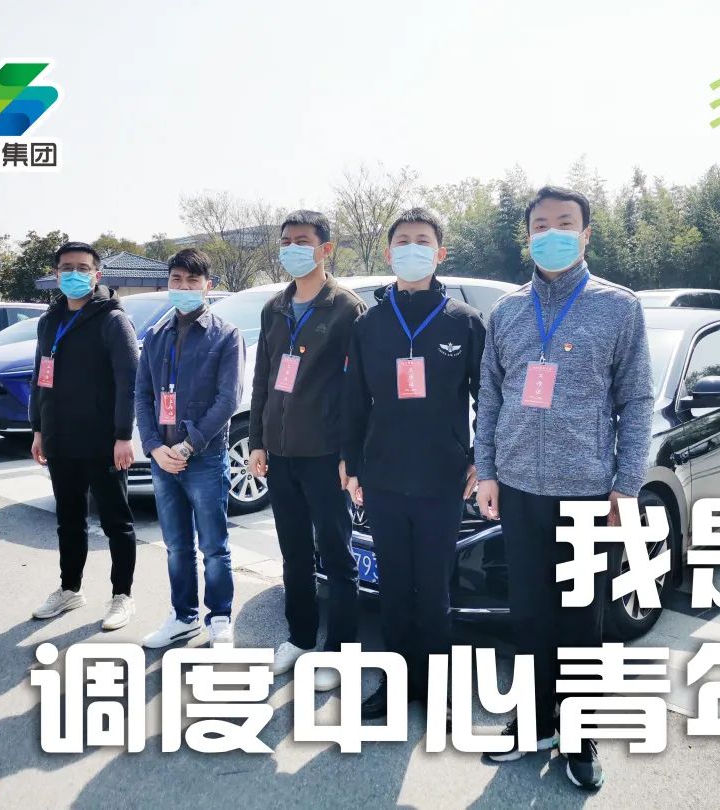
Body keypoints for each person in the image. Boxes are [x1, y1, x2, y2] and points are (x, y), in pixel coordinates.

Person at [475, 186, 653, 790]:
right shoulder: (507, 311)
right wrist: (488, 471)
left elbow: (636, 400)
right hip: (519, 487)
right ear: (527, 236)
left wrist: (626, 486)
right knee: (528, 616)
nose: (551, 233)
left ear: (586, 233)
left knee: (580, 621)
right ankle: (532, 721)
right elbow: (491, 396)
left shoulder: (619, 307)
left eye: (564, 223)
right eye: (540, 225)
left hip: (586, 493)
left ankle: (579, 735)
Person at [342, 208, 485, 718]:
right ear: (388, 253)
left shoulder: (464, 322)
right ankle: (397, 681)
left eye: (422, 240)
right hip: (382, 477)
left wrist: (481, 459)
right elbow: (354, 400)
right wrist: (350, 463)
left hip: (441, 479)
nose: (412, 248)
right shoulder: (369, 324)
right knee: (394, 589)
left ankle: (437, 684)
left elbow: (488, 397)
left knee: (434, 590)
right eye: (402, 241)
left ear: (439, 253)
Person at [247, 209, 366, 689]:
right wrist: (258, 441)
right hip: (280, 453)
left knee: (336, 555)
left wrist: (349, 454)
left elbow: (357, 389)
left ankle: (340, 650)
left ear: (325, 248)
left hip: (325, 455)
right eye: (286, 241)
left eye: (302, 240)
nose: (292, 249)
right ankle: (299, 637)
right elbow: (263, 377)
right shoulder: (274, 308)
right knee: (294, 553)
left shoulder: (346, 309)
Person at [135, 248, 245, 647]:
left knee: (214, 547)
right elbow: (143, 395)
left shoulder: (226, 335)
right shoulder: (156, 336)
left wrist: (187, 446)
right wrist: (153, 447)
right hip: (162, 459)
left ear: (207, 286)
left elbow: (228, 400)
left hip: (204, 458)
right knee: (176, 546)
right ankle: (183, 616)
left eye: (192, 281)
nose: (183, 287)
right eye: (176, 280)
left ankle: (220, 617)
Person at [29, 241, 141, 631]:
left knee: (116, 522)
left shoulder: (112, 320)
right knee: (69, 520)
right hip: (60, 438)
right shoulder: (49, 321)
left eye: (82, 267)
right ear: (56, 274)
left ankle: (122, 596)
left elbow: (129, 382)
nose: (73, 274)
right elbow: (39, 379)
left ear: (97, 275)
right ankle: (69, 589)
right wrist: (38, 429)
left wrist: (123, 435)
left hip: (103, 441)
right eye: (66, 268)